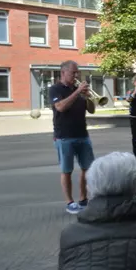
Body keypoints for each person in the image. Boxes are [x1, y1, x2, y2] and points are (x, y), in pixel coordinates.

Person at [50, 60, 96, 214]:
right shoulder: (55, 89)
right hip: (64, 136)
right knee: (67, 170)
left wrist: (88, 96)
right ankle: (69, 202)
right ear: (63, 72)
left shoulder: (79, 89)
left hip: (83, 134)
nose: (76, 75)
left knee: (87, 169)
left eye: (77, 72)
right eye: (73, 72)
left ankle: (83, 199)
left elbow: (92, 110)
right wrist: (77, 93)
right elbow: (60, 107)